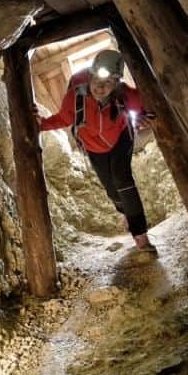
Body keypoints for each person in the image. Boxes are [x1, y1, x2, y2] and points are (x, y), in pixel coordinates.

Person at [34, 49, 157, 252]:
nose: (101, 87)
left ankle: (140, 236)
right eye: (99, 80)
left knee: (122, 180)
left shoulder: (124, 93)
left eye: (109, 82)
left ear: (116, 83)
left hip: (121, 139)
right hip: (93, 146)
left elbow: (148, 102)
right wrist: (41, 124)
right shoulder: (76, 95)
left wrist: (142, 114)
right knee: (111, 189)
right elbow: (64, 118)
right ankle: (124, 212)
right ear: (90, 75)